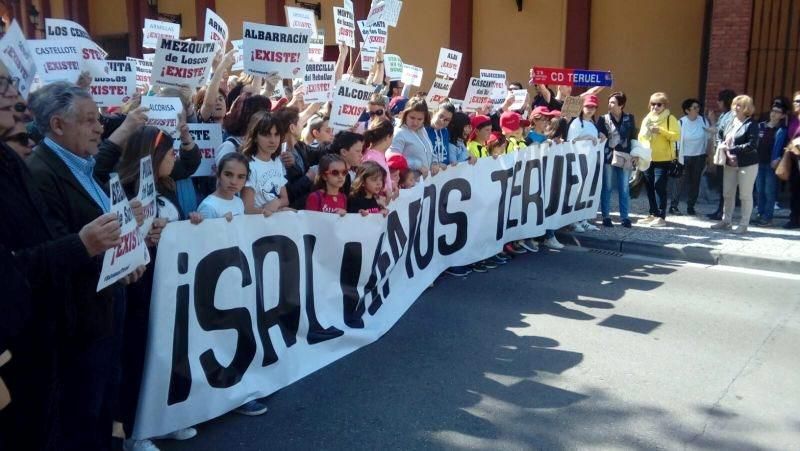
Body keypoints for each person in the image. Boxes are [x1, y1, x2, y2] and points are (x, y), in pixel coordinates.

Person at [25, 81, 146, 449]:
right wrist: (115, 264)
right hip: (80, 318)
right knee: (84, 411)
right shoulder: (41, 174)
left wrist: (129, 221)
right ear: (58, 125)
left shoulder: (83, 163)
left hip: (108, 304)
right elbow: (56, 250)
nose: (100, 127)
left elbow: (99, 219)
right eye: (91, 120)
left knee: (107, 397)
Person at [710, 95, 760, 233]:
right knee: (727, 193)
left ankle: (744, 224)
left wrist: (732, 149)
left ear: (746, 108)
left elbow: (752, 145)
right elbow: (719, 135)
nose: (735, 107)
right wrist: (720, 144)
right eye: (734, 104)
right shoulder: (729, 121)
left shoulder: (751, 124)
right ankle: (726, 221)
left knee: (745, 195)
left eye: (739, 105)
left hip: (747, 164)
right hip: (729, 163)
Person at [637, 92, 681, 227]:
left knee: (659, 186)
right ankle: (653, 213)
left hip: (663, 159)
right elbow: (640, 136)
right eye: (653, 104)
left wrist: (660, 131)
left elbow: (676, 136)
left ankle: (661, 216)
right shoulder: (647, 118)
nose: (655, 107)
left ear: (664, 105)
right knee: (649, 186)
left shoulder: (670, 118)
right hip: (647, 157)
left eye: (659, 104)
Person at [596, 92, 637, 228]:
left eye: (613, 102)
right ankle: (606, 216)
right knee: (606, 187)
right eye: (609, 101)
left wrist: (635, 154)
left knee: (624, 188)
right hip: (608, 156)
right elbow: (599, 136)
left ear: (621, 104)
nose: (609, 104)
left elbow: (633, 137)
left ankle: (624, 217)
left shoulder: (630, 118)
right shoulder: (603, 119)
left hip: (625, 156)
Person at [241, 111, 290, 218]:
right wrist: (274, 212)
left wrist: (277, 203)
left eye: (276, 134)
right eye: (267, 135)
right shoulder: (248, 166)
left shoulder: (277, 161)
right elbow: (247, 209)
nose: (273, 140)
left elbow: (285, 199)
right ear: (254, 137)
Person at [567, 94, 603, 232]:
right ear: (582, 107)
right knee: (576, 192)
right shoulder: (576, 123)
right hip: (577, 163)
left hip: (590, 163)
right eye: (588, 106)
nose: (590, 109)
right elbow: (571, 142)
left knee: (586, 192)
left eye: (593, 107)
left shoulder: (593, 124)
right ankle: (573, 221)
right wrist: (587, 137)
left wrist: (600, 136)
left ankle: (583, 219)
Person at [672, 98, 712, 216]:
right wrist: (676, 156)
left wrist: (708, 155)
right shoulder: (681, 122)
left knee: (695, 182)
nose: (697, 109)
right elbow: (677, 141)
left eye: (698, 107)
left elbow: (709, 137)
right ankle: (674, 206)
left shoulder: (703, 121)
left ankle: (691, 206)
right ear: (687, 110)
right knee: (679, 182)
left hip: (699, 156)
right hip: (684, 156)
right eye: (694, 108)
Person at [752, 99, 788, 226]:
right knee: (759, 190)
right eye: (773, 111)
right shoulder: (761, 126)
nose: (774, 114)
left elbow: (786, 147)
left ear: (783, 115)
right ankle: (760, 214)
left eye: (778, 112)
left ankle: (768, 217)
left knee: (769, 191)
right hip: (758, 162)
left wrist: (778, 158)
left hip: (772, 165)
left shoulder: (783, 130)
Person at [706, 89, 737, 220]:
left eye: (719, 100)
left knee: (725, 185)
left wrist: (712, 121)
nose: (718, 103)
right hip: (721, 152)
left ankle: (723, 212)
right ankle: (720, 210)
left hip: (726, 153)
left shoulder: (731, 115)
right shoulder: (725, 114)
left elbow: (719, 131)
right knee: (721, 184)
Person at [389, 97, 437, 177]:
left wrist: (434, 162)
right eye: (412, 118)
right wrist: (417, 165)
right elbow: (393, 159)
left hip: (424, 182)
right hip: (407, 184)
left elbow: (430, 150)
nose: (415, 122)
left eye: (419, 119)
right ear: (405, 115)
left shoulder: (423, 130)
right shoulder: (399, 133)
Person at [197, 152, 250, 221]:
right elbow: (205, 231)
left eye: (240, 177)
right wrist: (221, 223)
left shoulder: (239, 201)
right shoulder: (208, 206)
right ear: (218, 175)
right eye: (228, 174)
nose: (233, 182)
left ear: (245, 180)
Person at [362, 118, 394, 195]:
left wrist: (392, 184)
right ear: (388, 137)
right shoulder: (372, 159)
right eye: (392, 136)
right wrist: (387, 189)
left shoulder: (376, 155)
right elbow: (369, 183)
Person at [330, 131, 365, 196]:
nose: (361, 155)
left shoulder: (348, 175)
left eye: (361, 151)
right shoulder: (331, 174)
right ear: (344, 152)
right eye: (358, 151)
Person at [784, 90, 800, 229]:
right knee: (794, 190)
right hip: (794, 160)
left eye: (799, 101)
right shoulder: (793, 119)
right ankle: (794, 218)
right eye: (795, 101)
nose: (796, 104)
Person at [427, 102, 455, 171]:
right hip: (429, 175)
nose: (442, 121)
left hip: (443, 175)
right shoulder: (424, 130)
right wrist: (435, 164)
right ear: (434, 112)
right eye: (440, 116)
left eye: (447, 120)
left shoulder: (445, 132)